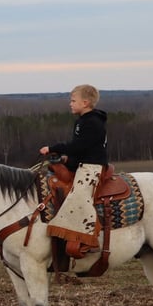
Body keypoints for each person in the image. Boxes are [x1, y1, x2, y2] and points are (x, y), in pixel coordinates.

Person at [39, 84, 108, 258]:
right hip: (84, 163)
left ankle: (88, 239)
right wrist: (65, 160)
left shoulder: (93, 123)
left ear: (85, 103)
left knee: (79, 197)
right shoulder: (82, 121)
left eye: (73, 100)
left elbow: (78, 147)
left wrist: (53, 148)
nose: (70, 104)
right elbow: (81, 150)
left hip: (93, 166)